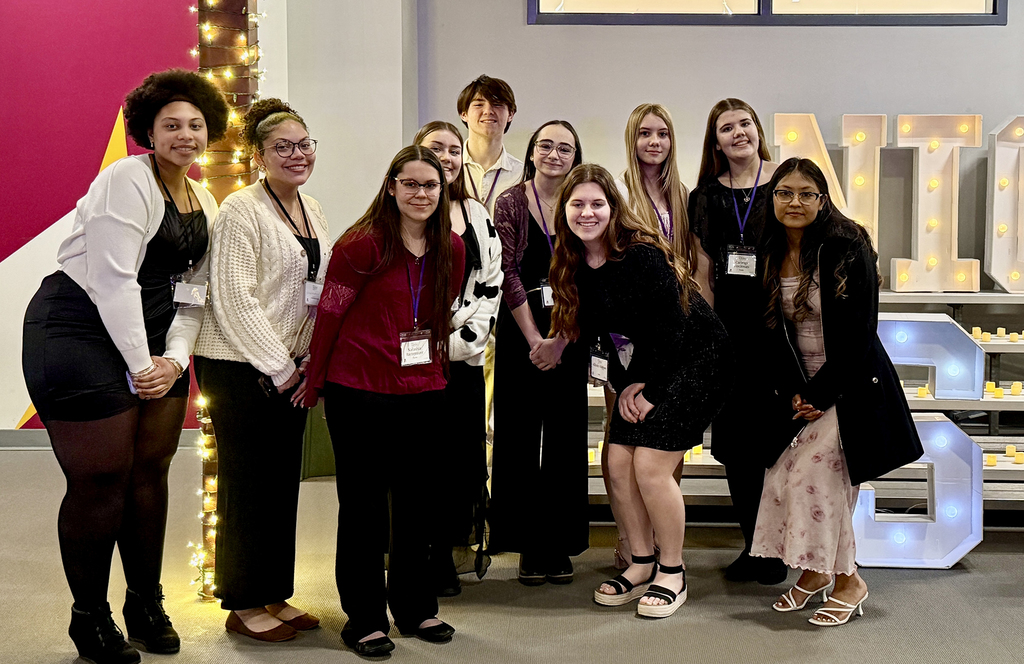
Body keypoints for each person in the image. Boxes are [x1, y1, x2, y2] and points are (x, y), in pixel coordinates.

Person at [22, 69, 227, 664]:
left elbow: (194, 292)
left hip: (154, 342)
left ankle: (145, 602)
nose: (185, 134)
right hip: (77, 331)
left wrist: (174, 360)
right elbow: (113, 283)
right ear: (148, 131)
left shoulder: (204, 197)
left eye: (195, 124)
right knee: (102, 479)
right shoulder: (125, 179)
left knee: (150, 472)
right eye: (172, 125)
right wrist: (145, 365)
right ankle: (89, 619)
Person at [303, 146, 466, 657]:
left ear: (443, 192)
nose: (421, 194)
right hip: (361, 392)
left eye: (431, 186)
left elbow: (442, 312)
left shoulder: (452, 249)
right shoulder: (361, 244)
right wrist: (317, 383)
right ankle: (364, 617)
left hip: (424, 391)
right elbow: (329, 314)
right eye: (411, 184)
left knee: (418, 505)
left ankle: (415, 608)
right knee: (363, 508)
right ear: (391, 186)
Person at [549, 164, 729, 618]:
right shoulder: (571, 260)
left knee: (649, 465)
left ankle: (673, 570)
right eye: (577, 204)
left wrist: (649, 391)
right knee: (615, 460)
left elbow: (671, 331)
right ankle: (640, 561)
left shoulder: (641, 254)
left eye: (597, 203)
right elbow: (603, 334)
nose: (587, 213)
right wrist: (623, 381)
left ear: (613, 208)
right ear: (564, 210)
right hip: (644, 368)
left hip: (696, 362)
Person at [751, 158, 923, 626]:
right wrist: (794, 390)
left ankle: (849, 580)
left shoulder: (848, 246)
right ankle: (814, 572)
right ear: (772, 198)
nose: (795, 202)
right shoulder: (767, 250)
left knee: (817, 479)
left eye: (807, 193)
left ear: (822, 200)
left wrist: (820, 393)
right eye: (785, 192)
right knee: (783, 476)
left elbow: (861, 333)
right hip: (800, 387)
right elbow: (769, 333)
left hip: (847, 386)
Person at [193, 99, 329, 643]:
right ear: (258, 155)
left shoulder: (311, 207)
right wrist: (278, 366)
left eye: (304, 144)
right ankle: (243, 602)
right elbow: (234, 298)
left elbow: (314, 295)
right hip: (238, 367)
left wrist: (305, 362)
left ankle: (275, 591)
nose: (296, 155)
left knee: (280, 486)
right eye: (283, 147)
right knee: (248, 486)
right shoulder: (240, 210)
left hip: (288, 369)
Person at [687, 98, 786, 584]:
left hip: (780, 332)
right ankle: (756, 547)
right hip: (729, 333)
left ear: (757, 129)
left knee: (779, 442)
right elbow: (703, 272)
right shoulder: (705, 195)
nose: (738, 133)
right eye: (727, 128)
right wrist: (707, 331)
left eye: (745, 123)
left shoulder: (785, 183)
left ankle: (787, 545)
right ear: (716, 140)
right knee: (737, 444)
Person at [611, 103, 712, 567]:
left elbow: (694, 265)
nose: (655, 142)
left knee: (669, 445)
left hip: (678, 330)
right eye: (645, 134)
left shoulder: (683, 196)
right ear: (632, 140)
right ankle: (633, 542)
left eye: (663, 134)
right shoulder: (618, 194)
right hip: (631, 338)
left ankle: (666, 544)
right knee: (626, 445)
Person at [490, 120, 587, 586]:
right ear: (531, 152)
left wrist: (561, 339)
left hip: (570, 336)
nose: (554, 153)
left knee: (567, 439)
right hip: (521, 335)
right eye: (545, 145)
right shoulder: (510, 201)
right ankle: (527, 543)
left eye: (564, 148)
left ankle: (559, 542)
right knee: (519, 436)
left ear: (575, 156)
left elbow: (589, 271)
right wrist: (534, 340)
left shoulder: (584, 200)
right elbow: (506, 271)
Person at [414, 121, 504, 594]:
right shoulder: (402, 210)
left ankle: (447, 556)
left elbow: (491, 285)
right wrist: (424, 343)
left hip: (462, 362)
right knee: (418, 465)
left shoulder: (475, 213)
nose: (446, 157)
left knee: (458, 465)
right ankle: (416, 556)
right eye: (435, 148)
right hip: (410, 367)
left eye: (454, 150)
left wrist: (455, 340)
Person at [457, 75, 524, 215]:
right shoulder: (449, 168)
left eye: (497, 104)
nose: (488, 111)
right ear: (464, 114)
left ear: (510, 114)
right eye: (479, 104)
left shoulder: (522, 174)